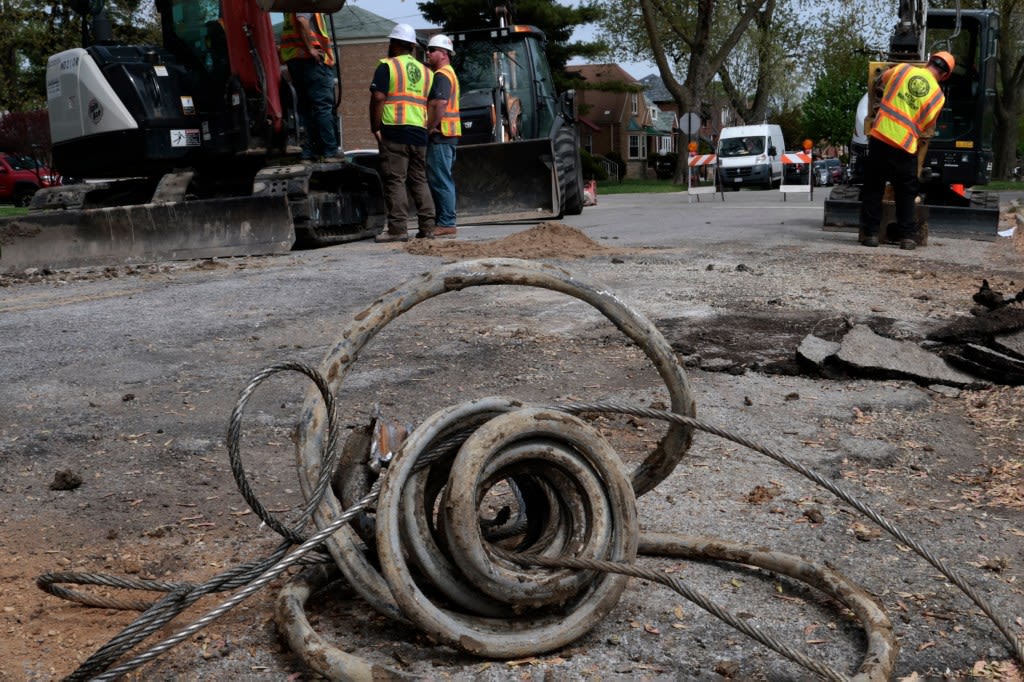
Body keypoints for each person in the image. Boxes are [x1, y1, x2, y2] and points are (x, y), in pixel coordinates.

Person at [859, 51, 954, 250]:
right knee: (906, 193)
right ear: (945, 76)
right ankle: (908, 238)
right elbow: (926, 125)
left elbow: (880, 81)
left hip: (881, 136)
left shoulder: (902, 70)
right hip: (905, 145)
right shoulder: (938, 97)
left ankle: (871, 235)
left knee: (873, 187)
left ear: (929, 62)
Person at [369, 24, 436, 242]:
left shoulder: (387, 66)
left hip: (395, 130)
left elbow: (379, 98)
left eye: (391, 41)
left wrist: (375, 126)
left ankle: (398, 229)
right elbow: (433, 103)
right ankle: (428, 228)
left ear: (397, 44)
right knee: (419, 180)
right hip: (419, 132)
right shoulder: (427, 72)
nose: (389, 45)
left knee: (395, 180)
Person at [280, 13, 341, 163]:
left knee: (304, 110)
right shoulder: (306, 4)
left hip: (297, 61)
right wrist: (311, 49)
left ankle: (307, 152)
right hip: (311, 62)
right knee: (323, 107)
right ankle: (330, 151)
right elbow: (302, 20)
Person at [424, 34, 461, 238]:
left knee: (440, 179)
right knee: (443, 178)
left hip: (441, 135)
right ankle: (445, 221)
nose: (428, 53)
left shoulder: (442, 75)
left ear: (444, 53)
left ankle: (446, 222)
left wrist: (429, 127)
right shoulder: (448, 73)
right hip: (448, 134)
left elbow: (440, 104)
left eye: (432, 50)